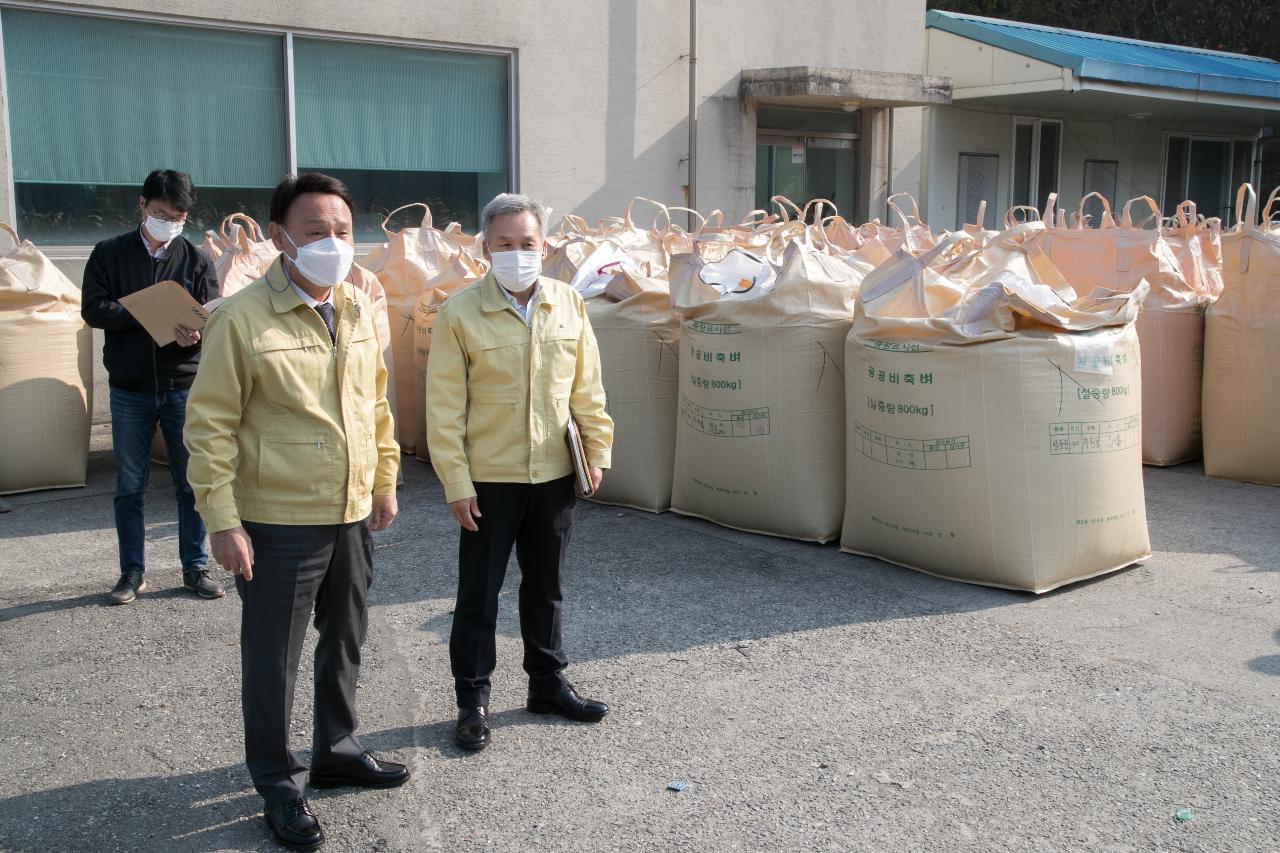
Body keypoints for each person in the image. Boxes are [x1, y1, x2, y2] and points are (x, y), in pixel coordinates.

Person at [184, 172, 406, 851]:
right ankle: (278, 783)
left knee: (345, 636)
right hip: (278, 520)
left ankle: (336, 748)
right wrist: (222, 520)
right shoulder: (241, 317)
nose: (333, 244)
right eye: (316, 232)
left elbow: (374, 403)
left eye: (342, 231)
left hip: (349, 512)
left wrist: (385, 478)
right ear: (279, 236)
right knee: (274, 657)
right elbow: (210, 425)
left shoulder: (361, 307)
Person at [426, 192, 615, 752]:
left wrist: (596, 452)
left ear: (545, 245)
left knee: (547, 586)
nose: (517, 253)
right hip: (489, 479)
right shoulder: (459, 313)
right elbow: (444, 409)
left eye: (526, 244)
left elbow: (588, 387)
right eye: (504, 245)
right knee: (479, 595)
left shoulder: (567, 304)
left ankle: (548, 684)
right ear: (486, 248)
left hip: (554, 473)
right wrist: (456, 483)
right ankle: (473, 701)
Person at [81, 169, 220, 605]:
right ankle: (131, 572)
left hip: (183, 384)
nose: (170, 222)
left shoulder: (197, 259)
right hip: (129, 388)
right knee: (130, 484)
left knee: (191, 481)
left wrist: (197, 332)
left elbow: (211, 311)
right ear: (142, 205)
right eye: (162, 213)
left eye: (178, 216)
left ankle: (195, 566)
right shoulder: (109, 254)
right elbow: (93, 309)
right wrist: (142, 313)